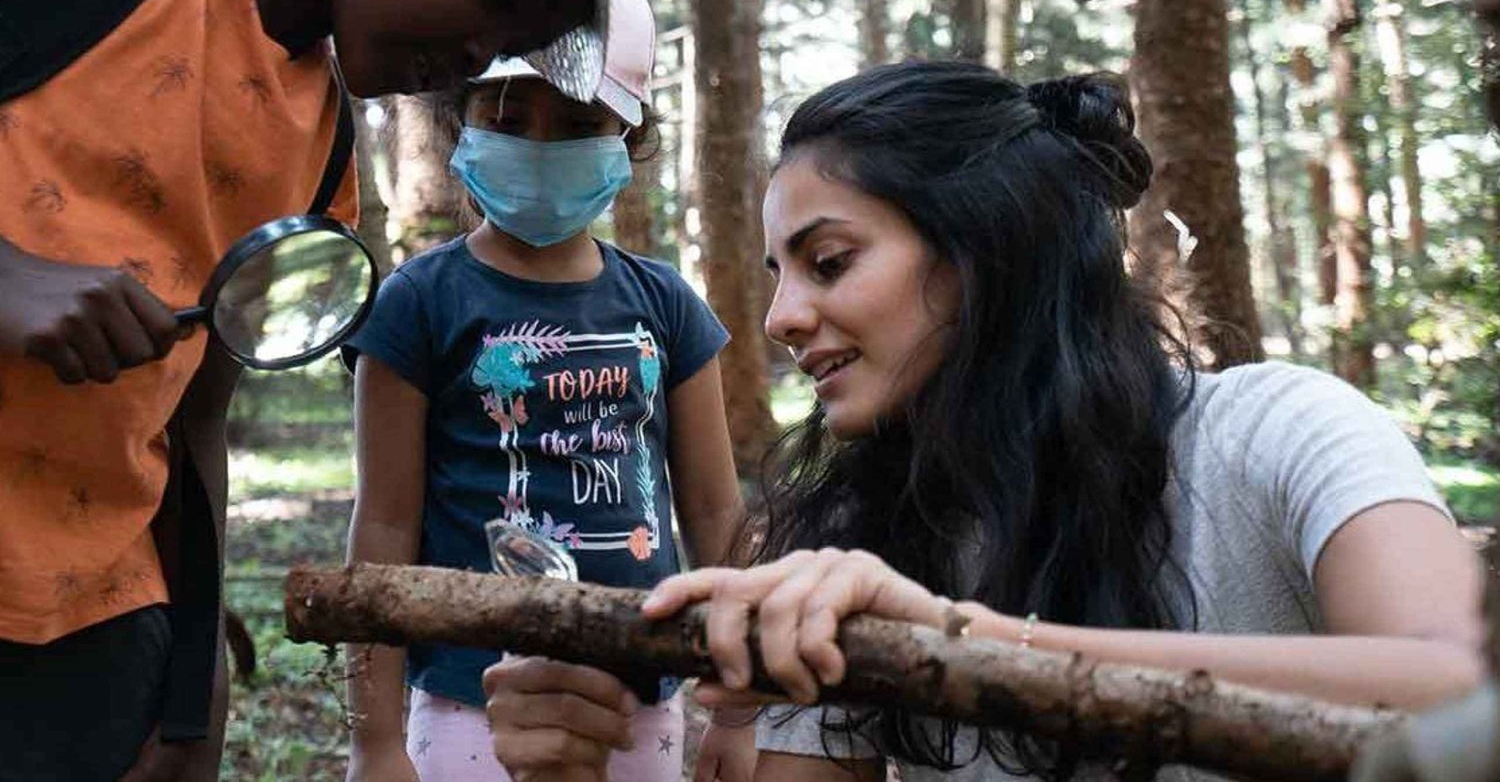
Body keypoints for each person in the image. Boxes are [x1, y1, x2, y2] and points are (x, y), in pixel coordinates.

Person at [480, 61, 1486, 781]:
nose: (782, 317)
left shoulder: (1280, 431)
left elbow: (1456, 685)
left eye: (828, 261)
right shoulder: (849, 544)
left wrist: (981, 640)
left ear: (985, 252)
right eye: (780, 274)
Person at [0, 0, 687, 777]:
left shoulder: (322, 157)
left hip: (96, 641)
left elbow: (194, 414)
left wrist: (192, 682)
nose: (473, 54)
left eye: (506, 44)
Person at [342, 0, 753, 782]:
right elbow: (384, 524)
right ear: (463, 121)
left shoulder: (665, 303)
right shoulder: (418, 302)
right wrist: (375, 742)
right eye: (507, 117)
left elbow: (713, 509)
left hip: (639, 696)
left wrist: (736, 711)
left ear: (626, 137)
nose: (539, 142)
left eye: (577, 124)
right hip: (470, 700)